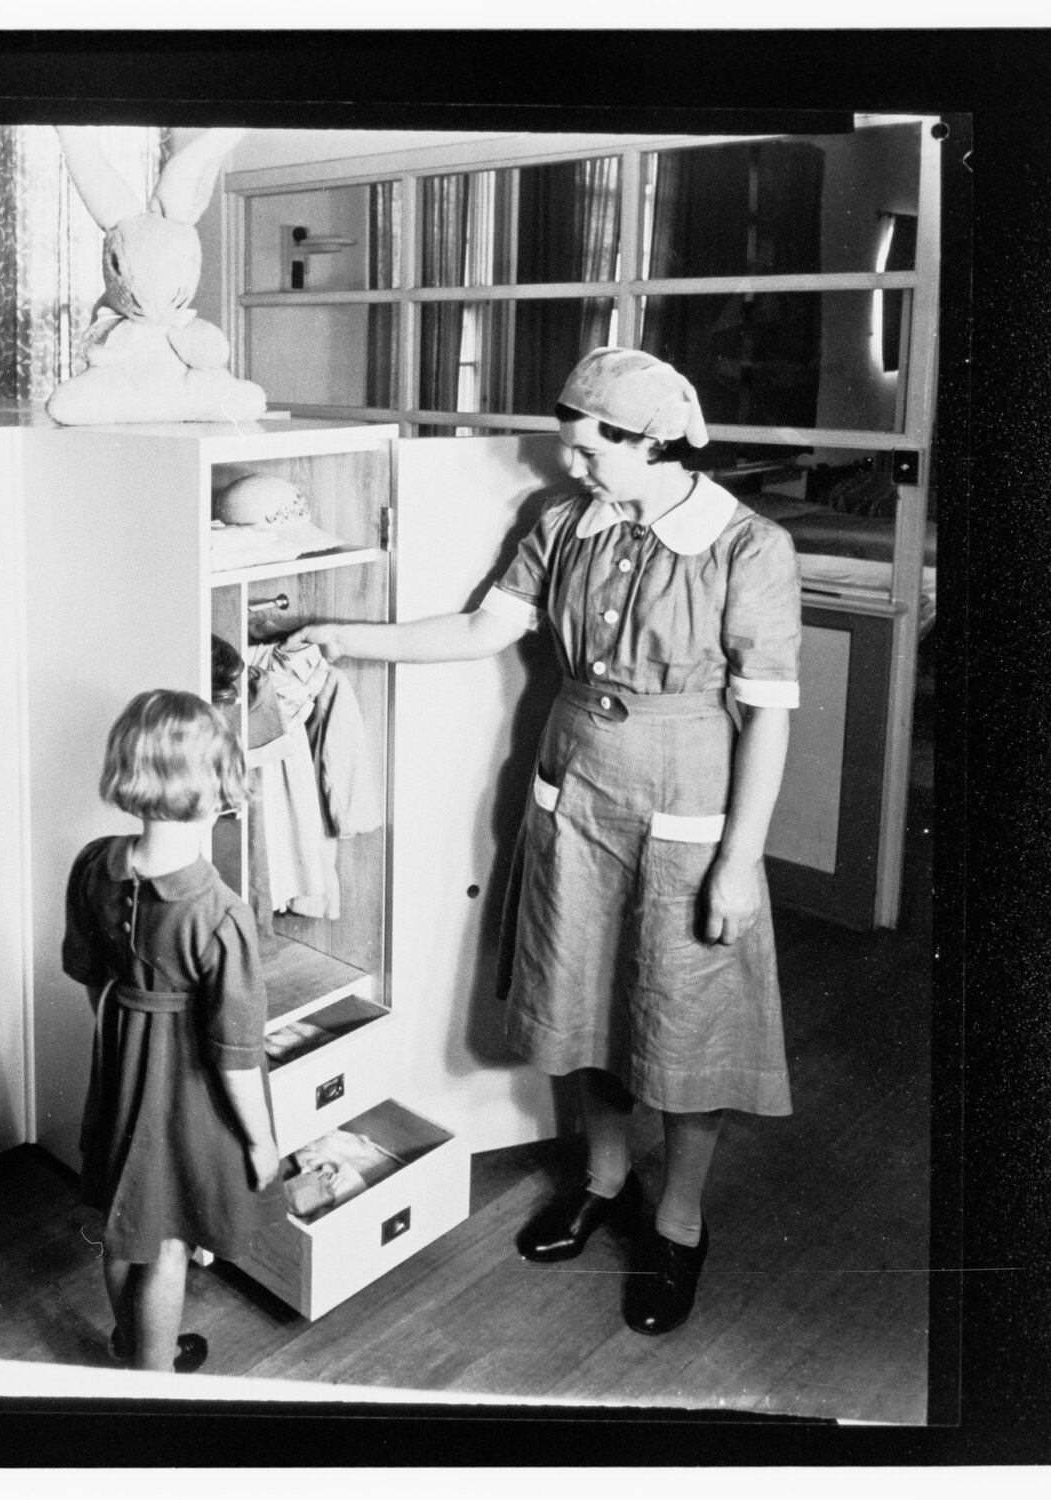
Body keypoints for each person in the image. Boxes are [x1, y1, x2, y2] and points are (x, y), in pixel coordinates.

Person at [292, 346, 801, 1336]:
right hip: (573, 793)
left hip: (689, 807)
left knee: (688, 1020)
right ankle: (603, 1180)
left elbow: (768, 716)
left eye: (587, 451)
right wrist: (340, 637)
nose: (569, 466)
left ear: (650, 443)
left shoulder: (747, 547)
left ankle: (679, 1222)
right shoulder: (565, 526)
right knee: (582, 999)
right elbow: (479, 629)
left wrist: (739, 861)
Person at [63, 689, 284, 1373]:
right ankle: (153, 1380)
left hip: (120, 1063)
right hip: (186, 1090)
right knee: (166, 1242)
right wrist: (262, 1143)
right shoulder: (219, 913)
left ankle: (128, 1342)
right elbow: (236, 1057)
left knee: (123, 1225)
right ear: (218, 790)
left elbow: (90, 976)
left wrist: (127, 1033)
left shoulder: (95, 864)